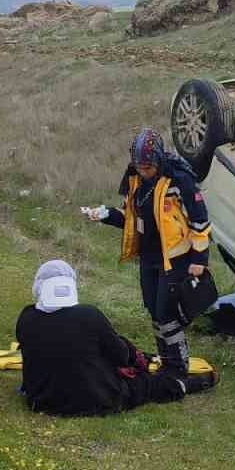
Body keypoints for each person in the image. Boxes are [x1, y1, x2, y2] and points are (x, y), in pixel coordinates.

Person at [84, 127, 211, 383]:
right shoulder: (136, 180)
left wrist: (199, 260)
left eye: (148, 168)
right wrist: (105, 214)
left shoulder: (179, 180)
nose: (143, 171)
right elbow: (131, 219)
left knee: (167, 313)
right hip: (149, 258)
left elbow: (200, 221)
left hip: (175, 259)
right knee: (154, 311)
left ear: (158, 161)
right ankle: (167, 361)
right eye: (139, 167)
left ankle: (177, 366)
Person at [16, 260, 214, 417]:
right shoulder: (89, 316)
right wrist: (136, 357)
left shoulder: (26, 318)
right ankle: (186, 385)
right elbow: (120, 356)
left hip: (41, 401)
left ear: (39, 287)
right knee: (146, 385)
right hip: (96, 400)